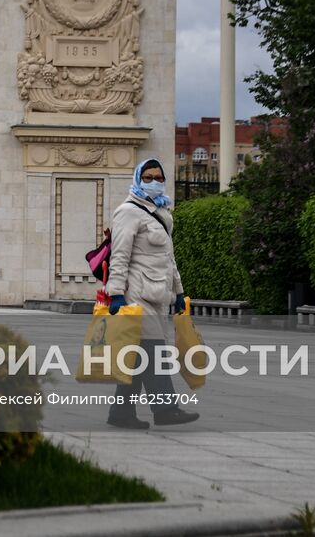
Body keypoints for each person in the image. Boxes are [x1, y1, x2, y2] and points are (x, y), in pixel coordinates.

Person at [104, 157, 199, 429]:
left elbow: (169, 259)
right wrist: (116, 294)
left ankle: (120, 414)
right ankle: (165, 409)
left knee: (137, 357)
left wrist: (178, 292)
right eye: (148, 178)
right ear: (137, 179)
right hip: (136, 295)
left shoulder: (162, 212)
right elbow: (119, 256)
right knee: (153, 351)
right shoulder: (128, 211)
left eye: (159, 177)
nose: (155, 182)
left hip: (158, 295)